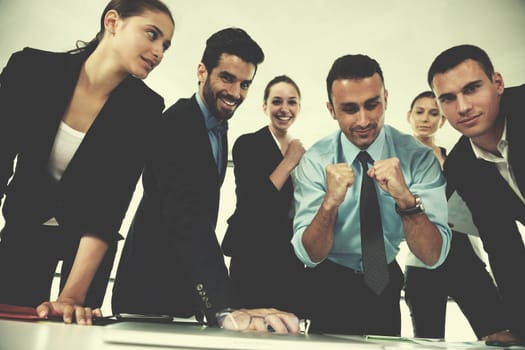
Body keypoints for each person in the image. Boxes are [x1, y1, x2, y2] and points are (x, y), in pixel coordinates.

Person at [111, 28, 300, 333]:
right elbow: (187, 218)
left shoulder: (217, 128)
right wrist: (224, 306)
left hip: (182, 294)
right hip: (149, 290)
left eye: (245, 84)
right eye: (227, 78)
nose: (236, 93)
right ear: (202, 71)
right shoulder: (179, 122)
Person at [0, 0, 174, 325]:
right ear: (113, 22)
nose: (159, 52)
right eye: (151, 35)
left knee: (71, 329)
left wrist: (71, 297)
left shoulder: (145, 108)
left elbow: (110, 205)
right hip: (22, 230)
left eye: (165, 45)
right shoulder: (30, 70)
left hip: (87, 250)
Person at [291, 54, 452, 335]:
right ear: (332, 110)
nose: (364, 120)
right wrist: (330, 203)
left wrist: (405, 199)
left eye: (372, 105)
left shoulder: (418, 159)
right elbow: (309, 255)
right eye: (350, 109)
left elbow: (433, 256)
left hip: (384, 283)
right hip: (328, 283)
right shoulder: (316, 160)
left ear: (386, 99)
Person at [428, 44, 525, 344]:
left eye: (471, 89)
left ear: (498, 83)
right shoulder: (460, 167)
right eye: (448, 98)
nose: (463, 107)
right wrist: (520, 329)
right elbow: (502, 245)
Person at [404, 91, 507, 339]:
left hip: (464, 253)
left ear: (442, 121)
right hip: (423, 262)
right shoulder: (397, 161)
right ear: (409, 116)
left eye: (433, 113)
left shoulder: (456, 159)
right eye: (419, 111)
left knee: (498, 332)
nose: (426, 118)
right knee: (428, 341)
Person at [222, 75, 306, 316]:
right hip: (252, 257)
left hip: (288, 259)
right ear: (265, 106)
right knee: (249, 331)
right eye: (277, 101)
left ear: (298, 108)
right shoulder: (248, 144)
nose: (284, 108)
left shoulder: (301, 151)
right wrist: (289, 161)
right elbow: (254, 203)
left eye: (292, 102)